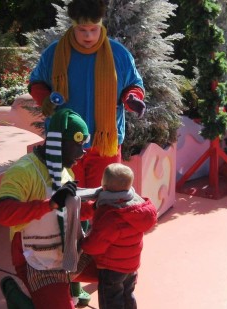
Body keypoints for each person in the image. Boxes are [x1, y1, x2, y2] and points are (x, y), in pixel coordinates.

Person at [28, 0, 146, 190]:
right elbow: (36, 83)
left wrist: (131, 98)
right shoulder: (54, 53)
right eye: (83, 30)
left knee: (105, 197)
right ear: (73, 25)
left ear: (101, 25)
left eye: (94, 29)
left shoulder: (119, 54)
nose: (89, 36)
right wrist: (44, 99)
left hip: (104, 144)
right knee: (66, 198)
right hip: (64, 143)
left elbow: (133, 84)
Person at [0, 109, 98, 309]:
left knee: (119, 266)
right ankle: (19, 300)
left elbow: (70, 212)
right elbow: (2, 213)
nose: (83, 151)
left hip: (68, 256)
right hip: (38, 262)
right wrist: (50, 204)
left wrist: (99, 206)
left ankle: (66, 289)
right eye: (77, 144)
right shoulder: (23, 171)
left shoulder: (65, 170)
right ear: (58, 142)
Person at [81, 163, 157, 309]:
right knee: (127, 294)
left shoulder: (112, 215)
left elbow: (96, 245)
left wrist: (83, 244)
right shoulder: (137, 205)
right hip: (131, 264)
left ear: (103, 186)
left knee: (111, 300)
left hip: (112, 267)